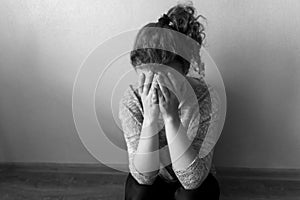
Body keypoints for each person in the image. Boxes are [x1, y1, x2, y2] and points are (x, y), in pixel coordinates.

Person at [119, 3, 221, 200]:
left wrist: (172, 118)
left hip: (193, 181)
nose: (157, 86)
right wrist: (149, 120)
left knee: (192, 195)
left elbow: (193, 180)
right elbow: (142, 177)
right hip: (153, 180)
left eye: (167, 76)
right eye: (148, 77)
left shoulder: (207, 97)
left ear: (184, 70)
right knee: (138, 190)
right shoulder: (132, 99)